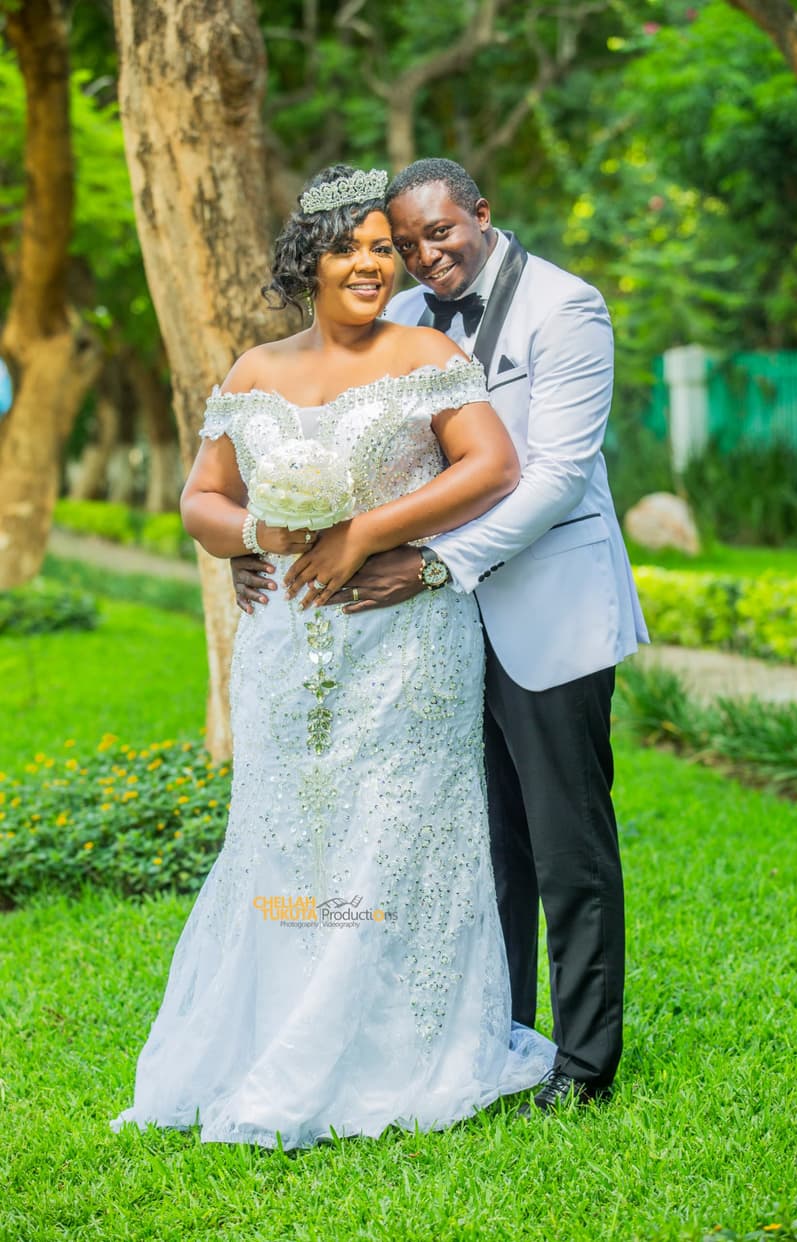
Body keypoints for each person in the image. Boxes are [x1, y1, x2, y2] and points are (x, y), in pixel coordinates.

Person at [109, 165, 556, 1152]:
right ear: (305, 262)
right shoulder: (254, 370)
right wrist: (261, 535)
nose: (370, 263)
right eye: (349, 246)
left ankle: (398, 1042)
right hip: (283, 647)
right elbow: (200, 500)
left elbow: (493, 465)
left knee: (395, 830)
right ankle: (283, 1022)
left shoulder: (424, 350)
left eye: (380, 248)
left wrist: (364, 531)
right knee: (292, 836)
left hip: (407, 645)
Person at [232, 158, 649, 1111]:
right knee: (486, 841)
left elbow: (556, 475)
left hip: (549, 606)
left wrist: (434, 561)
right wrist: (266, 531)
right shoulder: (411, 321)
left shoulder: (565, 307)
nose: (425, 256)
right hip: (441, 635)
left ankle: (585, 1065)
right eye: (408, 244)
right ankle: (491, 1039)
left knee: (565, 842)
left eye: (439, 235)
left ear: (482, 216)